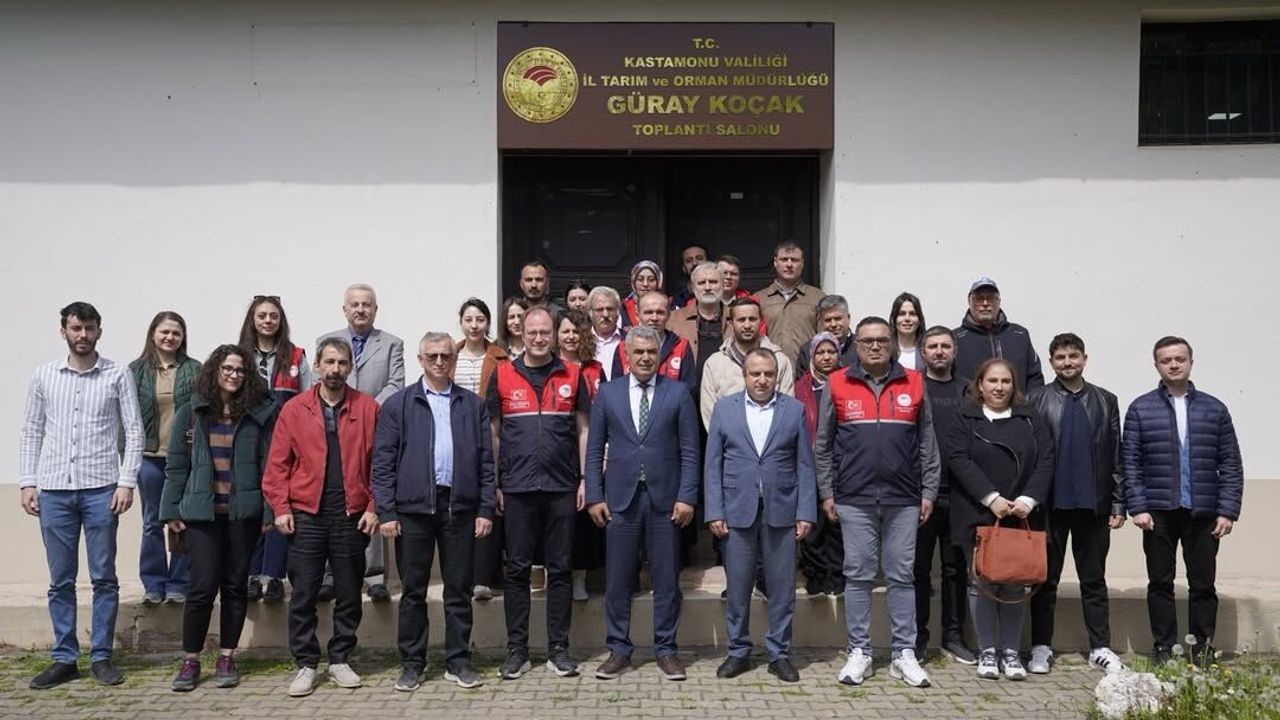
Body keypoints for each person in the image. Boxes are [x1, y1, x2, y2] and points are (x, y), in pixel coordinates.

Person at [20, 302, 144, 690]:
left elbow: (134, 431)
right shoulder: (44, 375)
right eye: (76, 328)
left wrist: (126, 482)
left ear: (99, 332)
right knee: (60, 580)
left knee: (104, 577)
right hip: (55, 490)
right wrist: (27, 482)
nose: (83, 335)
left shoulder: (117, 374)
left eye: (89, 328)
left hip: (101, 489)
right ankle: (64, 658)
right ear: (64, 331)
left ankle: (101, 657)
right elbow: (31, 430)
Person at [815, 316, 940, 689]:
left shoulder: (914, 381)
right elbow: (823, 445)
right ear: (856, 346)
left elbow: (927, 442)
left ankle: (904, 653)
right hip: (854, 498)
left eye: (882, 340)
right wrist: (827, 492)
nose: (874, 346)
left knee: (902, 576)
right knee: (858, 575)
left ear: (892, 344)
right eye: (867, 340)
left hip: (904, 498)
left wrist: (928, 491)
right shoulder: (837, 382)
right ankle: (860, 651)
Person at [373, 333, 496, 692]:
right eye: (432, 356)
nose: (439, 362)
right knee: (413, 591)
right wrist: (386, 512)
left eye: (445, 355)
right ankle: (413, 663)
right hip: (413, 510)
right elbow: (382, 463)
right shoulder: (398, 404)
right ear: (420, 359)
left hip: (459, 507)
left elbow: (486, 462)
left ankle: (458, 661)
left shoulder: (472, 405)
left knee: (458, 589)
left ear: (453, 359)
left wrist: (485, 508)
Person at [260, 338, 381, 698]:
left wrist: (374, 506)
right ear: (316, 365)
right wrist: (281, 508)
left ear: (350, 367)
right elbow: (276, 466)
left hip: (351, 513)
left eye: (342, 363)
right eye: (329, 362)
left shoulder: (368, 408)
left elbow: (382, 464)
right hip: (306, 514)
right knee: (304, 593)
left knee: (349, 591)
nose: (335, 369)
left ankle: (340, 658)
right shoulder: (295, 409)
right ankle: (306, 663)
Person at [585, 325, 701, 682]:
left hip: (666, 501)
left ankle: (666, 649)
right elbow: (594, 449)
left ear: (660, 355)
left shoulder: (678, 393)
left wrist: (687, 496)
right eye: (639, 352)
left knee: (666, 580)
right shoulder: (608, 393)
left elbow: (690, 450)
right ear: (627, 355)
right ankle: (619, 649)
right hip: (620, 500)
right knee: (618, 580)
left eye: (652, 352)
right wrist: (594, 495)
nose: (646, 358)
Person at [161, 345, 278, 692]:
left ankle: (227, 657)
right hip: (202, 515)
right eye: (227, 368)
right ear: (214, 370)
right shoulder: (192, 412)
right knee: (201, 588)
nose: (234, 375)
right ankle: (191, 660)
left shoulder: (258, 413)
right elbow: (177, 465)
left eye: (240, 370)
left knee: (235, 586)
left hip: (243, 514)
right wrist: (171, 509)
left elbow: (269, 466)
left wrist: (269, 510)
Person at [485, 306, 591, 680]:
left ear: (555, 334)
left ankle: (558, 649)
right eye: (532, 332)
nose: (539, 338)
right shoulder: (502, 375)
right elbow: (494, 434)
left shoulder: (573, 374)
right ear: (522, 334)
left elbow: (583, 430)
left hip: (562, 487)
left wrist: (585, 479)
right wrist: (495, 483)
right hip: (517, 488)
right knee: (517, 570)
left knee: (560, 569)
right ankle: (517, 650)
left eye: (545, 332)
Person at [1123, 336, 1243, 664]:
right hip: (1158, 512)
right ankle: (1164, 647)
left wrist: (1227, 510)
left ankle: (1201, 648)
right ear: (1156, 365)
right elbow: (1131, 462)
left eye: (1179, 359)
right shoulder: (1140, 408)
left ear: (1191, 362)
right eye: (1166, 360)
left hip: (1203, 510)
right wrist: (1138, 506)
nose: (1173, 365)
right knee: (1160, 582)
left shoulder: (1214, 408)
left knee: (1203, 584)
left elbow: (1230, 463)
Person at [705, 349, 816, 682]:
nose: (762, 380)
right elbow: (713, 464)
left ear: (776, 375)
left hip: (782, 510)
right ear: (745, 376)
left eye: (768, 373)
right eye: (755, 373)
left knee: (782, 588)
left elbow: (805, 464)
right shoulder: (725, 409)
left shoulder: (793, 410)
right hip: (736, 510)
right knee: (738, 587)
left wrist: (805, 512)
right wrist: (714, 510)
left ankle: (779, 654)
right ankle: (738, 652)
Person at [946, 358, 1054, 681]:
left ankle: (1010, 652)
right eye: (992, 381)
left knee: (1014, 582)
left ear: (1014, 385)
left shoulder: (1030, 418)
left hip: (1020, 514)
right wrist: (991, 497)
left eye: (1005, 381)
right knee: (982, 583)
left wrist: (1028, 499)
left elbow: (1046, 459)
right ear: (980, 385)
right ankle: (987, 651)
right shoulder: (964, 417)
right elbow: (958, 459)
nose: (999, 387)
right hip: (979, 513)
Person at [1026, 333, 1127, 674]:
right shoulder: (1037, 398)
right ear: (1051, 362)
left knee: (1093, 580)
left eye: (1073, 356)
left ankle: (1100, 647)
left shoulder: (1106, 401)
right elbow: (1030, 453)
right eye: (1060, 357)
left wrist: (1118, 504)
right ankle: (1041, 647)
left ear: (1084, 358)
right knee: (1044, 581)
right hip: (1050, 507)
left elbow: (1116, 455)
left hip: (1092, 506)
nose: (1067, 362)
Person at [317, 283, 405, 602]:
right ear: (345, 309)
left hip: (374, 425)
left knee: (372, 490)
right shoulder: (326, 341)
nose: (360, 309)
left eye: (366, 304)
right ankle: (329, 575)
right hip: (332, 427)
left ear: (375, 309)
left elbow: (396, 384)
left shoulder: (392, 343)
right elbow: (320, 382)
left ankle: (376, 576)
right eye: (354, 304)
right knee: (332, 494)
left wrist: (365, 409)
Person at [239, 294, 312, 603]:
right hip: (248, 442)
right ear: (252, 320)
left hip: (286, 443)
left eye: (273, 316)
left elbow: (309, 400)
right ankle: (252, 574)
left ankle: (274, 576)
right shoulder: (240, 357)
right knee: (254, 506)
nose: (268, 321)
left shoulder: (296, 357)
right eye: (262, 315)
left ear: (281, 321)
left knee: (281, 505)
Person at [129, 311, 200, 605]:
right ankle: (154, 583)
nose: (170, 337)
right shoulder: (136, 371)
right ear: (153, 334)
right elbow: (126, 416)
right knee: (152, 521)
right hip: (149, 456)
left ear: (183, 337)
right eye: (165, 332)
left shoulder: (194, 369)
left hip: (183, 456)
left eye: (176, 333)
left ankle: (178, 583)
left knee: (182, 519)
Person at [914, 326, 976, 664]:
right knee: (918, 570)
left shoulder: (969, 390)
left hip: (961, 494)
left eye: (945, 346)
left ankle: (953, 636)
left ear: (954, 351)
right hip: (920, 494)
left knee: (956, 569)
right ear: (923, 352)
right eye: (933, 346)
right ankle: (917, 638)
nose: (939, 351)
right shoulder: (912, 387)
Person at [453, 297, 509, 601]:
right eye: (469, 319)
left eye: (480, 319)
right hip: (455, 435)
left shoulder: (500, 357)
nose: (474, 325)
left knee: (488, 496)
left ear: (488, 323)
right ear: (461, 322)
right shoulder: (450, 355)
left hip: (489, 431)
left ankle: (484, 575)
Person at [558, 309, 607, 601]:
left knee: (583, 516)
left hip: (592, 446)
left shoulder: (595, 369)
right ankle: (556, 574)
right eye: (565, 331)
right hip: (559, 449)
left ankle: (580, 577)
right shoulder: (551, 366)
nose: (571, 336)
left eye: (576, 331)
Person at [795, 332, 844, 597]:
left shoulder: (848, 383)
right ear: (811, 357)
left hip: (841, 464)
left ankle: (836, 576)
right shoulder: (800, 388)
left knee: (836, 523)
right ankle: (815, 573)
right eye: (820, 353)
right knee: (812, 523)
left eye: (831, 352)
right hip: (808, 462)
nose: (826, 357)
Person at [700, 297, 795, 429]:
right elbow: (709, 412)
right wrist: (727, 438)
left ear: (761, 321)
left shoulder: (780, 360)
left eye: (752, 319)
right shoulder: (715, 363)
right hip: (728, 440)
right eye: (741, 320)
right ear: (731, 324)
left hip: (771, 439)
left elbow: (787, 408)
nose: (747, 325)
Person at [953, 277, 1044, 391]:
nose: (985, 303)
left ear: (999, 301)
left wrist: (1029, 401)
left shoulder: (1019, 335)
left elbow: (1035, 377)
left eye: (990, 298)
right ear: (969, 302)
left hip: (1018, 402)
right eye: (979, 299)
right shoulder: (955, 339)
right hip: (972, 402)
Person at [611, 292, 697, 395]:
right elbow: (615, 391)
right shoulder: (623, 347)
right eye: (648, 312)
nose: (654, 318)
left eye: (660, 313)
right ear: (638, 315)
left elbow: (688, 391)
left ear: (668, 315)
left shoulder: (681, 346)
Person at [756, 241, 823, 362]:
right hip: (770, 368)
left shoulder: (818, 297)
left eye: (795, 260)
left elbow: (825, 339)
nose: (789, 264)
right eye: (784, 259)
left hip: (807, 369)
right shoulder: (759, 299)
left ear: (802, 263)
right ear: (775, 262)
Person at [667, 262, 732, 377]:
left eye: (713, 282)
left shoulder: (736, 318)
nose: (707, 287)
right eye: (701, 283)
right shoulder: (673, 320)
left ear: (723, 285)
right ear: (693, 287)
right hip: (686, 386)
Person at [794, 294, 855, 382]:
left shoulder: (859, 346)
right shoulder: (808, 349)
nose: (833, 324)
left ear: (848, 318)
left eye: (838, 319)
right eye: (828, 320)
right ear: (821, 321)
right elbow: (801, 384)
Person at [588, 286, 624, 382]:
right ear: (590, 313)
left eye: (610, 309)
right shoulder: (581, 341)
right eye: (599, 310)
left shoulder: (629, 340)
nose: (605, 315)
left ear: (618, 312)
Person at [620, 260, 663, 329]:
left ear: (659, 283)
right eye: (640, 279)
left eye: (651, 280)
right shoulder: (622, 308)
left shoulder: (668, 308)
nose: (645, 284)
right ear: (633, 282)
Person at [891, 292, 926, 371]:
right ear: (894, 319)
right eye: (902, 314)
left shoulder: (927, 352)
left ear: (919, 319)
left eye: (912, 314)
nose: (907, 318)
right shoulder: (886, 351)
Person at [671, 243, 708, 309]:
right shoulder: (678, 299)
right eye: (689, 261)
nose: (694, 263)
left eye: (699, 258)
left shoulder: (720, 293)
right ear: (683, 268)